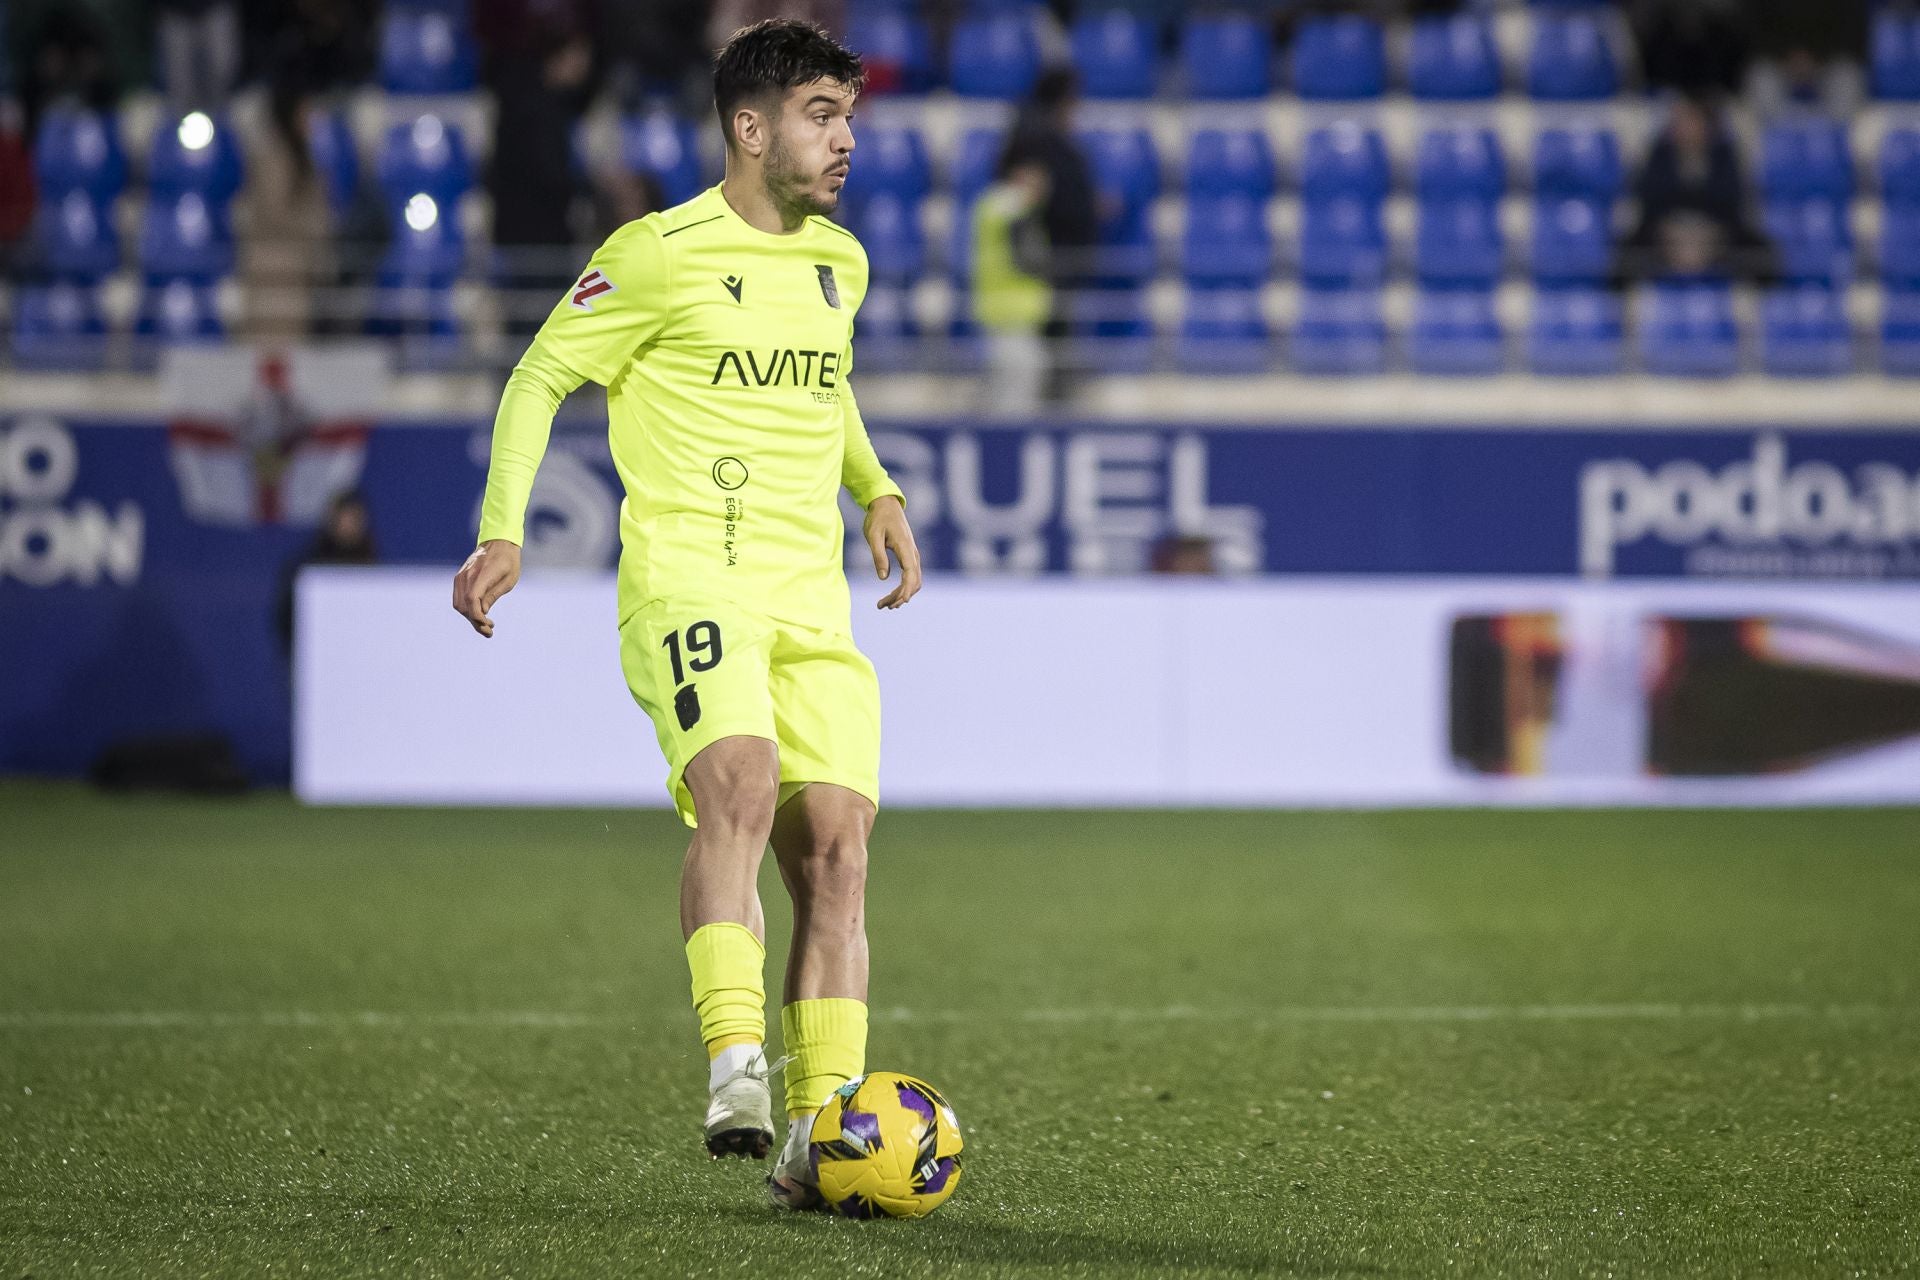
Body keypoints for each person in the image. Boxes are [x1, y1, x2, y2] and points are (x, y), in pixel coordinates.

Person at [449, 20, 921, 1213]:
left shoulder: (841, 262)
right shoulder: (655, 254)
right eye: (823, 112)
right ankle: (735, 1065)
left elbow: (830, 376)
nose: (846, 136)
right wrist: (504, 525)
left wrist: (877, 488)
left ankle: (828, 1134)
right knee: (744, 789)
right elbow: (541, 371)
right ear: (750, 128)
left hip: (810, 598)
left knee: (839, 853)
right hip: (691, 581)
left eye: (849, 113)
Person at [1619, 95, 1775, 285]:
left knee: (1761, 252)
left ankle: (1761, 307)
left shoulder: (1724, 154)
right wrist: (1672, 229)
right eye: (1679, 122)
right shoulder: (1659, 152)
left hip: (1717, 231)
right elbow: (1649, 195)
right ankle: (1626, 308)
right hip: (1665, 230)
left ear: (1708, 126)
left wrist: (1709, 232)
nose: (1685, 128)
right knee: (1625, 251)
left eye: (1692, 121)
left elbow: (1731, 197)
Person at [970, 151, 1053, 416]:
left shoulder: (988, 204)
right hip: (1012, 312)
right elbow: (1028, 259)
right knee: (1017, 396)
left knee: (1003, 389)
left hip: (997, 310)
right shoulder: (1012, 205)